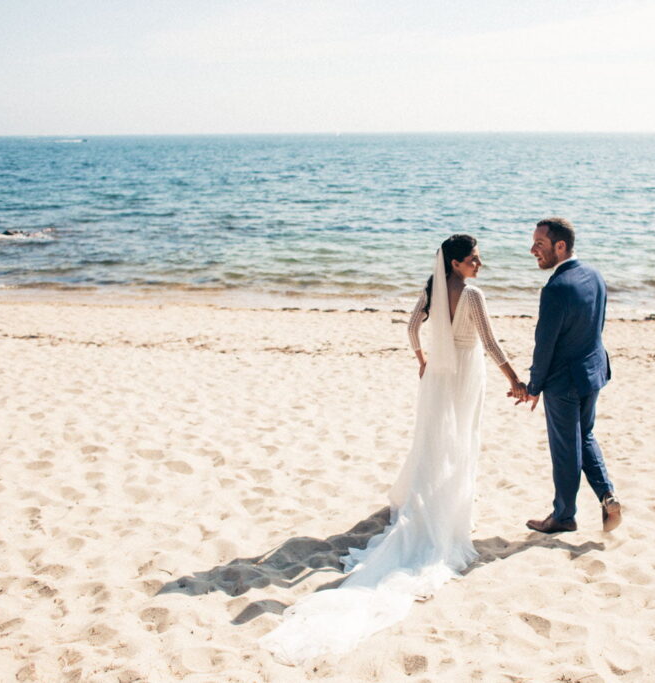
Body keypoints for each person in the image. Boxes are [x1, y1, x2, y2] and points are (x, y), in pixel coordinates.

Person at [261, 234, 524, 664]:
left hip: (438, 373)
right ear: (457, 263)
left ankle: (427, 498)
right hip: (465, 373)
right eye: (475, 259)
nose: (481, 264)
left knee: (434, 440)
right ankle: (449, 509)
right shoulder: (472, 294)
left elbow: (410, 327)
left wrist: (422, 359)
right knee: (460, 440)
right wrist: (513, 378)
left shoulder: (434, 288)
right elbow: (491, 343)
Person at [512, 218, 621, 533]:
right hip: (593, 372)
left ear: (560, 246)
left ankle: (563, 515)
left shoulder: (556, 288)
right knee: (584, 436)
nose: (533, 250)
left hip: (564, 382)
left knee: (565, 448)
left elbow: (544, 345)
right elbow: (595, 324)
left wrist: (534, 386)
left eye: (540, 244)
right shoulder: (595, 276)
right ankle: (607, 495)